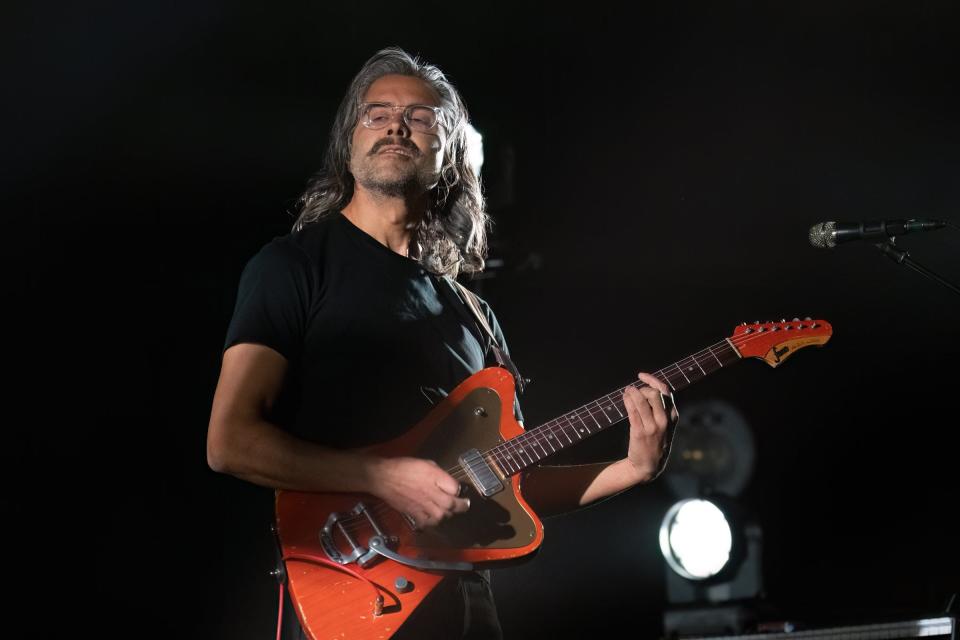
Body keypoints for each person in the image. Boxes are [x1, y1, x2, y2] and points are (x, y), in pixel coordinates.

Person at [206, 46, 678, 640]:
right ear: (348, 143)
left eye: (422, 117)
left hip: (465, 603)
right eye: (376, 113)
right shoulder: (293, 268)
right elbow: (230, 442)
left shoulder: (474, 316)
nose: (397, 124)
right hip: (353, 589)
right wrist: (380, 477)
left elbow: (512, 482)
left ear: (451, 153)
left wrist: (631, 469)